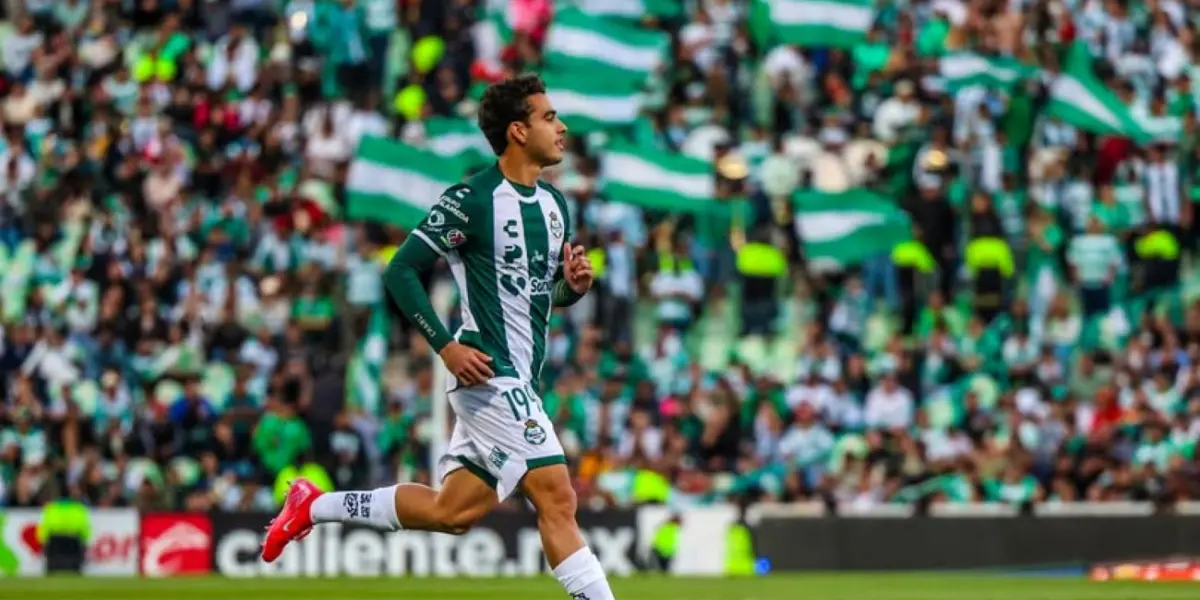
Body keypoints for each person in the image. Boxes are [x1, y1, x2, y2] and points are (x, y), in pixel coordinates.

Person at [260, 74, 616, 600]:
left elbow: (541, 296)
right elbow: (401, 270)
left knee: (453, 512)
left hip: (521, 378)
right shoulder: (471, 199)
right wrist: (446, 347)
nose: (561, 128)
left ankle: (312, 506)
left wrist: (572, 288)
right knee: (557, 498)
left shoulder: (556, 207)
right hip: (489, 372)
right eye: (548, 118)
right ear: (518, 132)